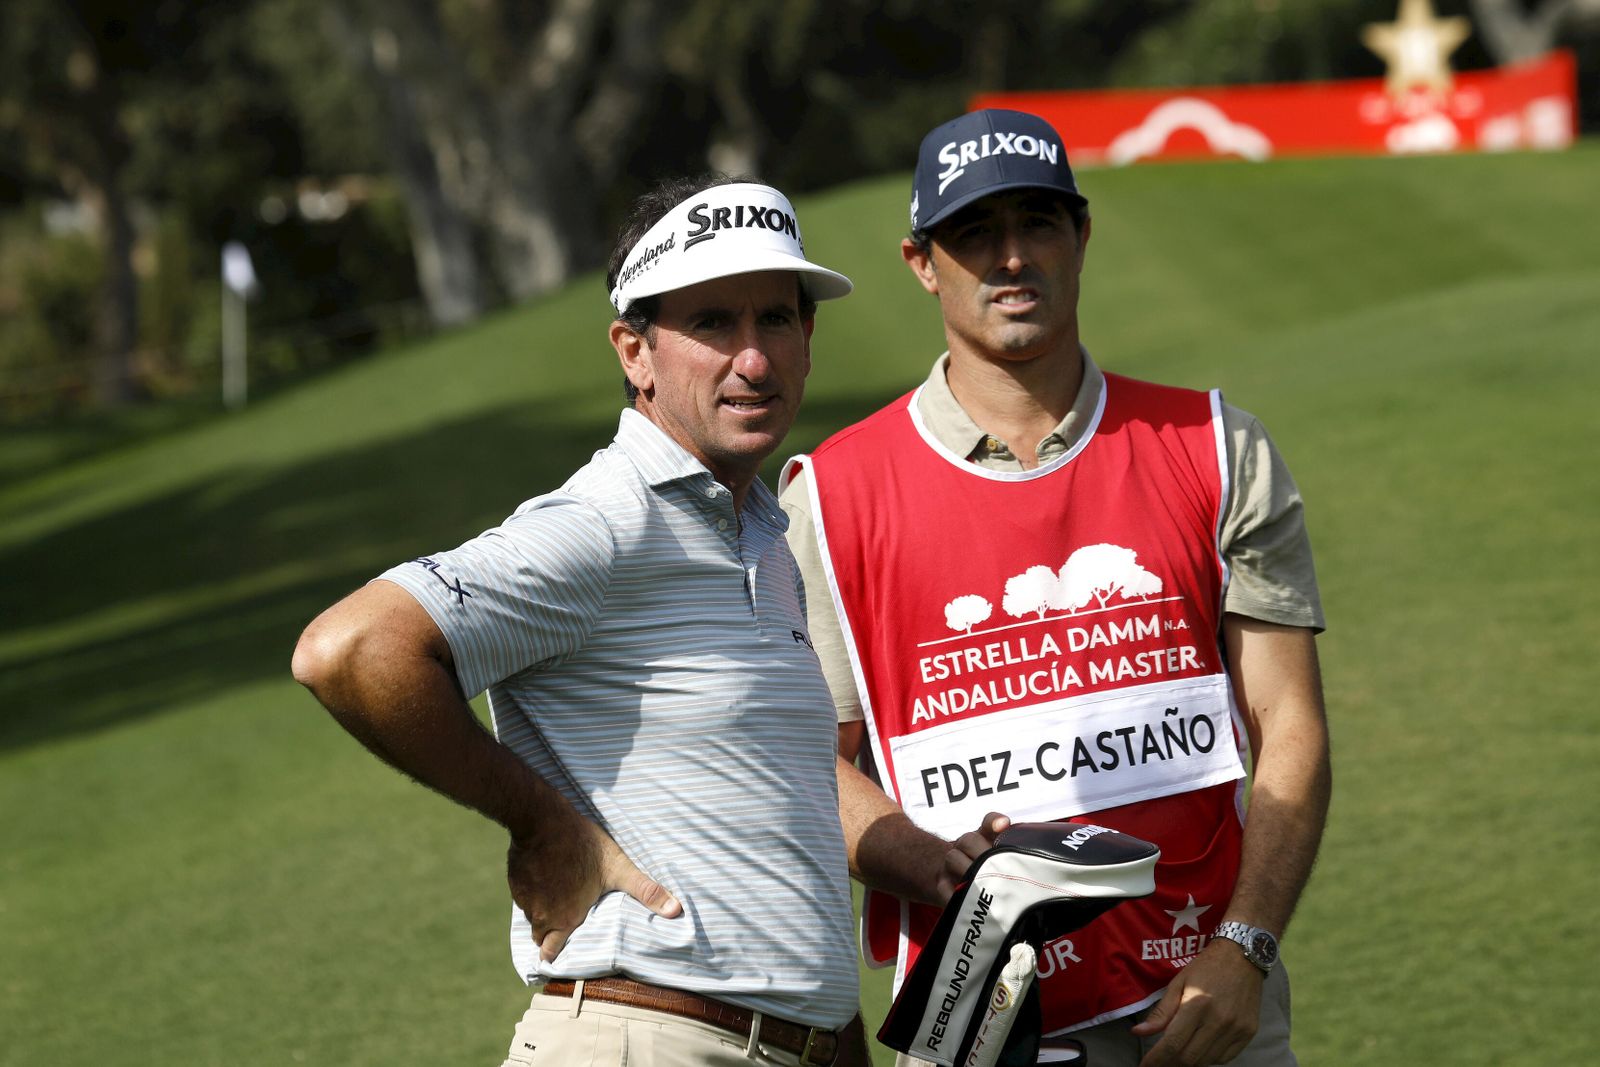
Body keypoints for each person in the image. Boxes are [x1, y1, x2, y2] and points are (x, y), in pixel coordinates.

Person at [779, 109, 1332, 1067]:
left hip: (1202, 1008)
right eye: (974, 234)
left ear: (1081, 235)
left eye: (1037, 222)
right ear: (922, 261)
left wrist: (1245, 947)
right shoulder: (826, 498)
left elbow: (1287, 720)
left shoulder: (1218, 447)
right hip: (974, 1025)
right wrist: (931, 860)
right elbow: (808, 763)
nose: (1010, 258)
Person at [293, 173, 870, 1067]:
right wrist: (544, 826)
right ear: (634, 352)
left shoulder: (763, 535)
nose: (753, 359)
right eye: (712, 323)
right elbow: (352, 649)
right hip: (650, 1037)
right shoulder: (608, 520)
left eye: (776, 319)